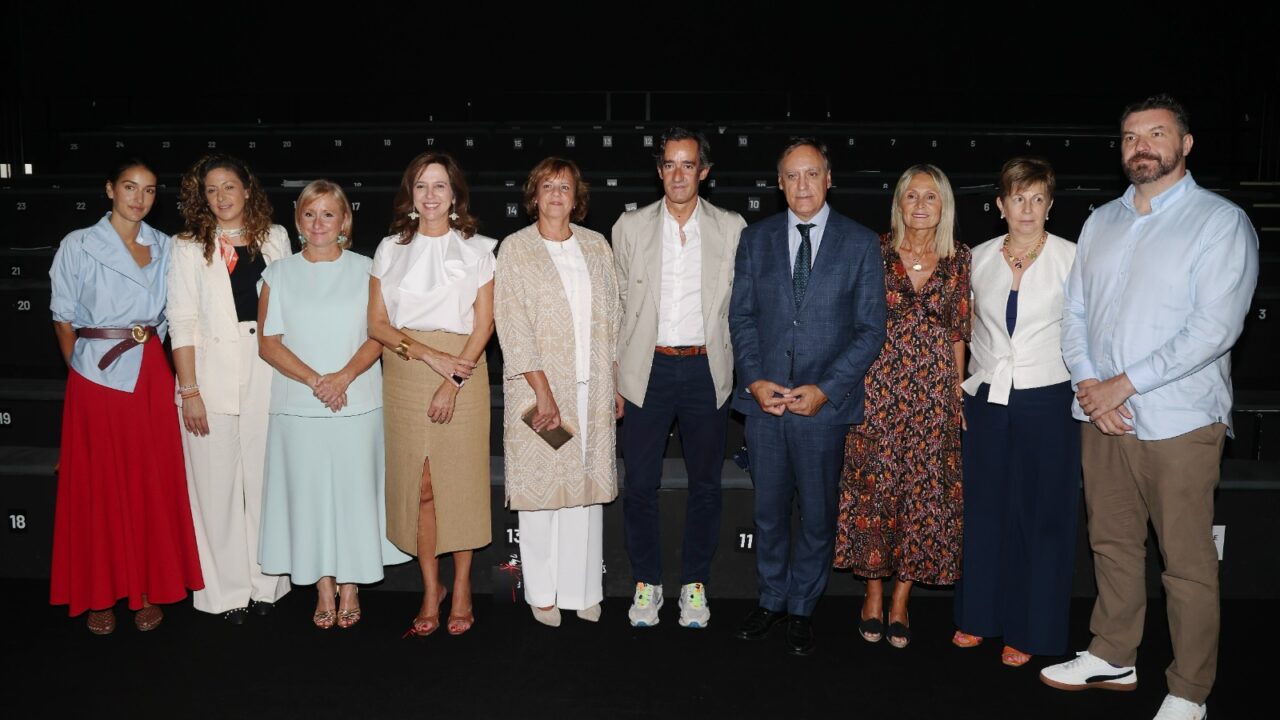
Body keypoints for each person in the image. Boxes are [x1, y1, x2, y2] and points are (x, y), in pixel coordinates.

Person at [1042, 94, 1257, 720]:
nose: (1142, 145)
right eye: (1131, 136)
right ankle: (1113, 652)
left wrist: (1123, 384)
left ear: (1185, 145)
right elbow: (1075, 314)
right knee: (1110, 543)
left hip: (1180, 421)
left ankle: (1190, 689)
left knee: (1186, 563)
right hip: (1101, 415)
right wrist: (1090, 386)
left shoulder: (1220, 222)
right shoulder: (1100, 221)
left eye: (1156, 134)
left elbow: (1214, 328)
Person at [728, 138, 887, 655]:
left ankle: (802, 607)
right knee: (770, 513)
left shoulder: (861, 243)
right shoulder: (755, 239)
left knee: (818, 515)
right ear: (779, 183)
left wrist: (826, 389)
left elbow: (870, 330)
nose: (802, 185)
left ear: (828, 178)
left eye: (811, 174)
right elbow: (742, 317)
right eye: (792, 176)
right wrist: (752, 379)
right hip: (765, 405)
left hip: (823, 409)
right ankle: (772, 599)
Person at [48, 158, 204, 634]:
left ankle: (145, 590)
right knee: (98, 486)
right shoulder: (78, 244)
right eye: (130, 187)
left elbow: (172, 317)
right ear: (110, 189)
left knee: (147, 483)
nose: (139, 198)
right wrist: (83, 372)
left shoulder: (166, 246)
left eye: (150, 190)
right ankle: (100, 593)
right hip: (95, 377)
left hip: (152, 376)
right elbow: (63, 317)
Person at [256, 180, 409, 629]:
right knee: (308, 499)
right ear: (298, 221)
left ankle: (350, 585)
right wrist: (315, 381)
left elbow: (379, 335)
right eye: (309, 214)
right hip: (298, 406)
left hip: (357, 401)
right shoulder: (278, 274)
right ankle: (323, 585)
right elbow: (268, 343)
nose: (318, 223)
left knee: (353, 496)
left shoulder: (369, 270)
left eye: (328, 214)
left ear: (345, 221)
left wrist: (342, 378)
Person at [612, 128, 746, 628]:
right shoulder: (629, 227)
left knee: (706, 484)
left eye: (688, 164)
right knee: (641, 483)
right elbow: (617, 306)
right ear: (659, 170)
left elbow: (741, 307)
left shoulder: (732, 227)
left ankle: (695, 584)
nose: (678, 174)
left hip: (707, 367)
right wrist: (614, 374)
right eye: (669, 164)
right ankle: (647, 584)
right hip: (647, 368)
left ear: (704, 173)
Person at [834, 164, 971, 650]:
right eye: (911, 195)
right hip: (878, 390)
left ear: (943, 206)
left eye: (930, 197)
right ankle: (872, 595)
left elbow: (958, 332)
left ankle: (900, 602)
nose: (919, 205)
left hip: (932, 396)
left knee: (922, 496)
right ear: (899, 202)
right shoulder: (874, 251)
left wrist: (956, 394)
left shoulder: (958, 259)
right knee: (875, 492)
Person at [951, 157, 1078, 667]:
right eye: (1017, 198)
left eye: (1038, 199)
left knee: (1041, 515)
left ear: (1050, 204)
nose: (1027, 209)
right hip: (985, 400)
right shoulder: (975, 258)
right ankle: (977, 616)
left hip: (1049, 397)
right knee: (984, 509)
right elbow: (961, 331)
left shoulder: (1074, 258)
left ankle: (1030, 628)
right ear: (1001, 205)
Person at [369, 152, 495, 637]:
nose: (430, 195)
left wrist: (452, 377)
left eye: (440, 186)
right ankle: (430, 587)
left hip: (463, 367)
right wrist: (427, 356)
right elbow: (376, 324)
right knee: (419, 487)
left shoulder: (480, 250)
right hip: (404, 370)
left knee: (456, 485)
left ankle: (461, 586)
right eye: (421, 185)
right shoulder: (389, 249)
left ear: (455, 194)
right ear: (410, 194)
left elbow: (484, 324)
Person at [494, 157, 621, 627]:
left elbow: (613, 316)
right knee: (542, 495)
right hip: (539, 392)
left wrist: (616, 379)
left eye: (564, 186)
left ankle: (582, 590)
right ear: (534, 194)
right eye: (547, 185)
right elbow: (512, 324)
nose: (555, 193)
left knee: (584, 495)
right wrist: (543, 392)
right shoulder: (515, 249)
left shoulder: (596, 246)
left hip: (593, 392)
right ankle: (542, 593)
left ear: (576, 196)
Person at [168, 154, 292, 624]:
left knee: (264, 482)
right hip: (209, 370)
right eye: (211, 190)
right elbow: (180, 322)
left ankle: (267, 585)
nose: (221, 197)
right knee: (215, 488)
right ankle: (224, 594)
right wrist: (190, 390)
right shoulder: (187, 246)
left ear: (247, 189)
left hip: (268, 366)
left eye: (229, 187)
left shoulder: (276, 237)